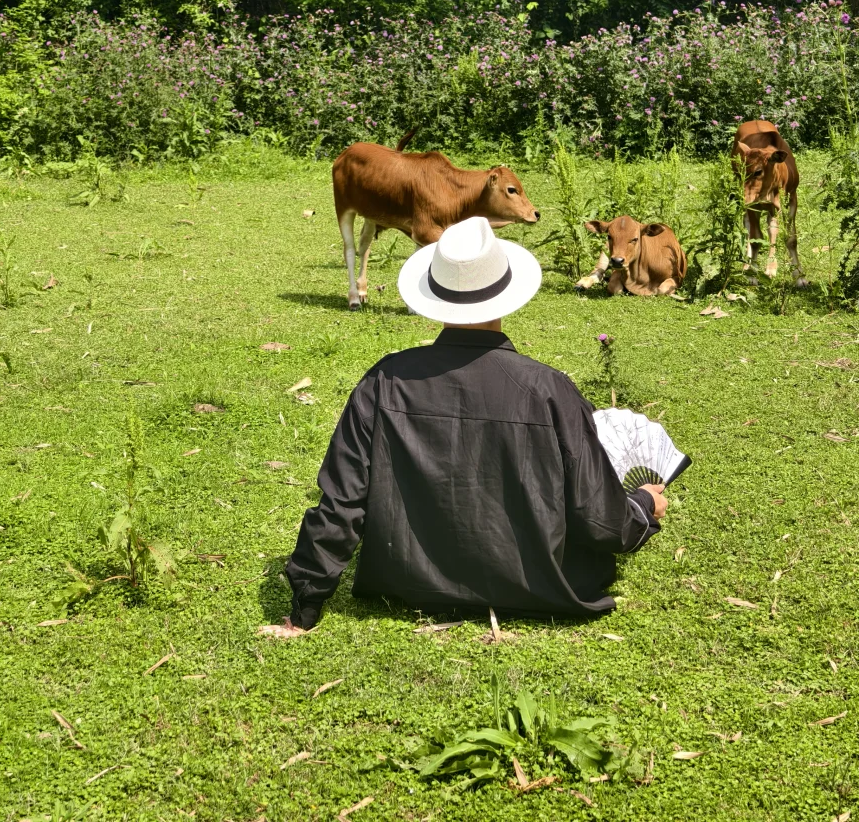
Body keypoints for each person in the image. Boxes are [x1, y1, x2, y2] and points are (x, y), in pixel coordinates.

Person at [260, 215, 668, 638]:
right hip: (545, 590)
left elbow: (341, 503)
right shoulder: (549, 389)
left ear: (436, 295)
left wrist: (304, 606)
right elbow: (600, 517)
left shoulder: (385, 381)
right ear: (509, 296)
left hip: (405, 584)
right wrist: (641, 507)